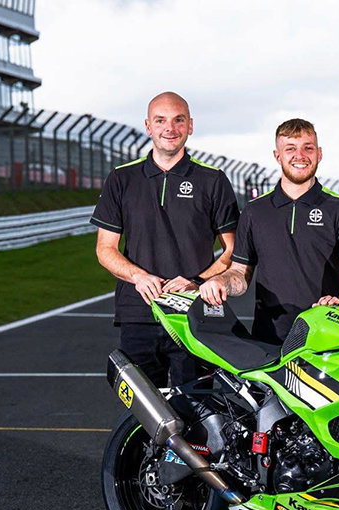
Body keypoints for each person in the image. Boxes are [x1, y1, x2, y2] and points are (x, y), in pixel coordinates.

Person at [199, 118, 339, 510]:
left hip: (328, 345)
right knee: (278, 446)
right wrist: (220, 284)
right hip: (270, 344)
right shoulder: (255, 212)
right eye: (291, 148)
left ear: (319, 153)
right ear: (276, 155)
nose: (299, 155)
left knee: (333, 446)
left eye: (307, 147)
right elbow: (241, 273)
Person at [91, 91, 238, 388]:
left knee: (197, 406)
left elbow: (233, 250)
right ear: (148, 126)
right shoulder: (122, 178)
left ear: (190, 126)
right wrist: (138, 276)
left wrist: (196, 281)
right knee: (145, 408)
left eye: (178, 120)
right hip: (138, 314)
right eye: (160, 120)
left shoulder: (213, 180)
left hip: (194, 314)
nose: (170, 128)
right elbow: (105, 249)